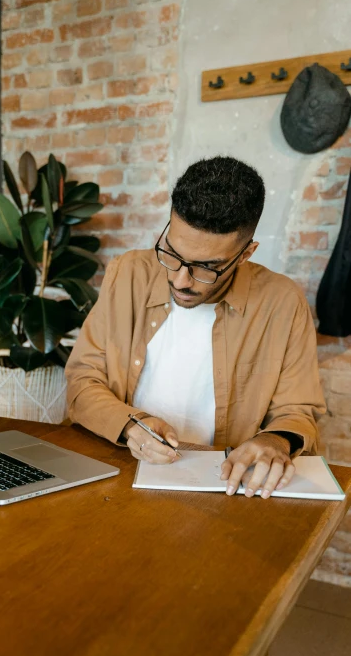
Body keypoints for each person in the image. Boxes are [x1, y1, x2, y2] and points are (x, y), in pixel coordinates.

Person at [65, 156, 326, 498]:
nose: (179, 279)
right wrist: (130, 425)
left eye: (206, 267)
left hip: (225, 490)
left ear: (246, 253)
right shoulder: (127, 273)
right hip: (120, 473)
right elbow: (82, 381)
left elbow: (298, 412)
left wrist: (274, 440)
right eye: (172, 252)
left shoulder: (282, 302)